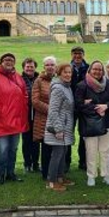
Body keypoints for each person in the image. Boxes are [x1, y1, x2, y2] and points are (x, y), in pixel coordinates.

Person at [0, 53, 28, 184]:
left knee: (13, 149)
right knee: (2, 150)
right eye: (6, 60)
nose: (8, 62)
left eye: (11, 60)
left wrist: (21, 112)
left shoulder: (18, 77)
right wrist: (0, 113)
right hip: (2, 121)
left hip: (16, 120)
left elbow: (25, 94)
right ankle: (0, 174)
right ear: (1, 62)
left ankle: (11, 172)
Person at [75, 60, 109, 186]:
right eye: (95, 69)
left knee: (105, 150)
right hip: (89, 123)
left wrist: (107, 106)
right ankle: (91, 176)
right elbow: (79, 104)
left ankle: (106, 175)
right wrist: (97, 109)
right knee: (91, 150)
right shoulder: (82, 85)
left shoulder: (108, 84)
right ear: (90, 70)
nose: (97, 71)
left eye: (99, 69)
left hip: (107, 122)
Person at [45, 63, 75, 192]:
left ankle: (60, 177)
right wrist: (58, 129)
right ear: (59, 73)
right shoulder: (58, 88)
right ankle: (51, 182)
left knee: (63, 153)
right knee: (57, 154)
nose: (68, 74)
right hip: (58, 128)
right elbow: (53, 110)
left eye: (69, 72)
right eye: (65, 72)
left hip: (65, 126)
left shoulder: (67, 87)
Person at [32, 56, 57, 181]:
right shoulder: (39, 81)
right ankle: (46, 173)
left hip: (58, 119)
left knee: (57, 147)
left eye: (52, 64)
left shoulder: (59, 80)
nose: (50, 67)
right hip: (44, 118)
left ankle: (56, 172)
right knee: (46, 147)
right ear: (44, 67)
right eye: (47, 65)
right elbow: (35, 101)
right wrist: (51, 110)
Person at [68, 46, 89, 171]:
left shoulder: (88, 68)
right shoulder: (67, 68)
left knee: (84, 134)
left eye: (79, 54)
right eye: (75, 54)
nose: (77, 56)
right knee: (68, 134)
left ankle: (83, 161)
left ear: (83, 55)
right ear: (71, 55)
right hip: (70, 106)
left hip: (83, 106)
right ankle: (66, 161)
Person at [21, 58, 40, 172]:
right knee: (26, 140)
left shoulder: (39, 78)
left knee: (36, 140)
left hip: (37, 114)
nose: (29, 68)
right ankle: (27, 163)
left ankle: (36, 163)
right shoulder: (19, 79)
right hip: (25, 114)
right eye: (27, 66)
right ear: (24, 68)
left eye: (31, 66)